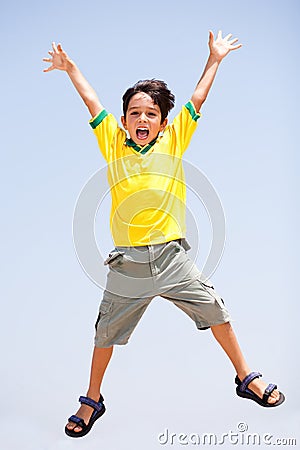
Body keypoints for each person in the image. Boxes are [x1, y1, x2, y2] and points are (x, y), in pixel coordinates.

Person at [43, 30, 285, 438]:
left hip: (173, 258)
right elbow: (91, 101)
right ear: (123, 121)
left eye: (150, 114)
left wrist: (215, 59)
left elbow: (198, 99)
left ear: (162, 122)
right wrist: (70, 68)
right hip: (128, 265)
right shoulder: (113, 143)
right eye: (135, 113)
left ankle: (246, 377)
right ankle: (92, 400)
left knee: (217, 312)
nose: (142, 119)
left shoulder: (174, 141)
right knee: (105, 334)